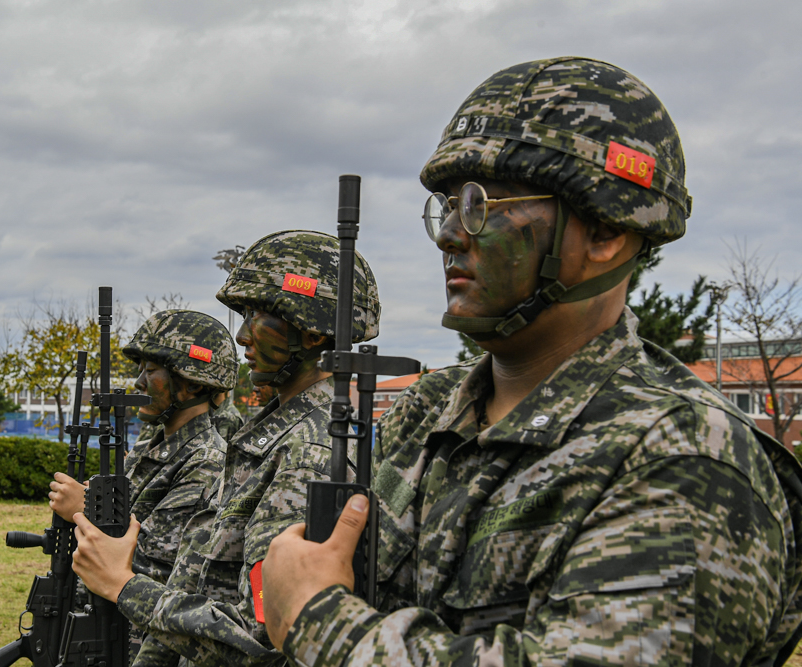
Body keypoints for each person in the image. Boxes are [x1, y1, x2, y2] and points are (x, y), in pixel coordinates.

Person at [262, 57, 802, 667]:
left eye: (479, 204)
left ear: (603, 233)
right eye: (446, 206)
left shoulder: (684, 459)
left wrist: (319, 619)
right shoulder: (428, 414)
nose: (448, 235)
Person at [70, 230, 381, 666]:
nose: (242, 337)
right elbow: (196, 577)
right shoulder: (268, 434)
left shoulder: (311, 450)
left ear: (311, 334)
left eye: (258, 314)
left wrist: (124, 585)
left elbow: (264, 635)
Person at [51, 309, 239, 658]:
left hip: (139, 643)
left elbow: (153, 563)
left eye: (151, 371)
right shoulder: (150, 444)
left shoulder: (205, 461)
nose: (138, 382)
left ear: (193, 383)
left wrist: (83, 511)